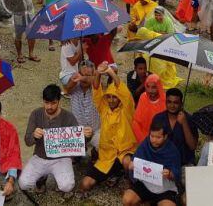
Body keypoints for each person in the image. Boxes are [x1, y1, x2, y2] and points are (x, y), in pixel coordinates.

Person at [77, 63, 137, 197]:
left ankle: (131, 186)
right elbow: (97, 89)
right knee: (85, 184)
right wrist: (98, 72)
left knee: (128, 163)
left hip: (124, 152)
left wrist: (110, 72)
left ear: (120, 98)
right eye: (108, 96)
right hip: (107, 156)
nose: (111, 100)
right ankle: (115, 173)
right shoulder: (103, 108)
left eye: (114, 96)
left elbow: (122, 89)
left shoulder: (127, 108)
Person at [21, 85, 91, 196]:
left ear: (59, 101)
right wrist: (34, 135)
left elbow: (78, 142)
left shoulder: (68, 116)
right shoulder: (36, 114)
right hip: (40, 156)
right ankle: (42, 178)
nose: (49, 106)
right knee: (23, 184)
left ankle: (58, 180)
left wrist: (87, 136)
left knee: (67, 186)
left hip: (61, 158)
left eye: (53, 103)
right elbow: (27, 141)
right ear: (43, 101)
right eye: (46, 103)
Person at [124, 121, 181, 206]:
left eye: (158, 137)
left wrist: (169, 174)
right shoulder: (145, 144)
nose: (154, 140)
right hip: (145, 184)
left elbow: (176, 173)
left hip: (164, 188)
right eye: (152, 136)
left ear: (165, 136)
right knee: (127, 200)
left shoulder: (172, 150)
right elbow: (135, 159)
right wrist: (132, 165)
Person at [152, 89, 198, 167]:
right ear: (165, 102)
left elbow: (192, 146)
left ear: (181, 104)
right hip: (163, 160)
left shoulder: (189, 119)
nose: (172, 106)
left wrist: (184, 123)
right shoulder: (158, 118)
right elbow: (152, 142)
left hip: (184, 162)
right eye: (169, 102)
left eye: (176, 103)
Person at [67, 61, 102, 151]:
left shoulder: (97, 87)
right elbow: (67, 87)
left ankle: (95, 152)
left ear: (93, 75)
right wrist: (75, 77)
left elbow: (94, 80)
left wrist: (82, 77)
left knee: (101, 143)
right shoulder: (73, 86)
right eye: (81, 74)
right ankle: (79, 153)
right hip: (78, 130)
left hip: (96, 130)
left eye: (88, 75)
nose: (82, 78)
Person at [6, 0, 37, 64]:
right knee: (18, 35)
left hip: (30, 13)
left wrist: (29, 7)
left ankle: (31, 53)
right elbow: (8, 6)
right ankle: (19, 54)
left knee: (31, 34)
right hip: (19, 16)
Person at [133, 74, 166, 143]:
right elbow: (136, 122)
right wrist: (143, 141)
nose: (150, 90)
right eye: (148, 87)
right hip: (143, 137)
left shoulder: (165, 100)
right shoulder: (143, 97)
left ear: (159, 87)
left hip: (160, 138)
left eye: (154, 87)